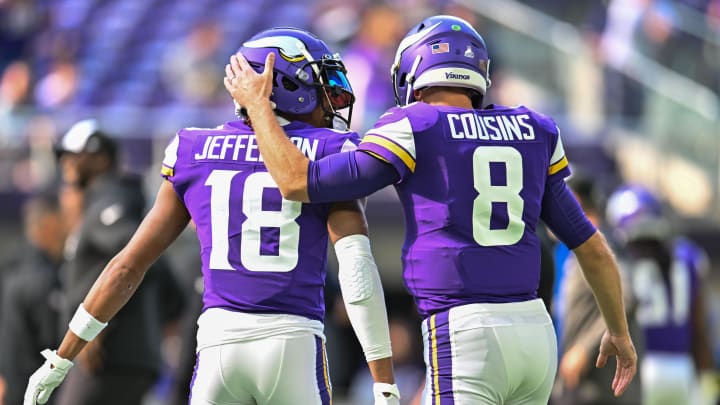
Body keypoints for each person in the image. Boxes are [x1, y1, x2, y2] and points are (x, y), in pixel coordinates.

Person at [224, 15, 638, 404]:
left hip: (465, 330)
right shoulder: (533, 128)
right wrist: (618, 331)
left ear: (414, 73)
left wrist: (259, 108)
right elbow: (593, 248)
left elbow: (298, 181)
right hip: (535, 335)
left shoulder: (414, 125)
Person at [24, 27, 399, 405]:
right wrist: (383, 381)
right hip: (293, 341)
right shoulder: (329, 150)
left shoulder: (193, 149)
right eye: (321, 86)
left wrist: (61, 357)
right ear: (285, 86)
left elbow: (126, 267)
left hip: (218, 348)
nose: (332, 99)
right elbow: (356, 270)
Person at [33, 119, 185, 405]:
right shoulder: (104, 200)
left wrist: (96, 328)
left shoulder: (110, 196)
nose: (65, 163)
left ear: (100, 158)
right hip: (123, 355)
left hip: (111, 356)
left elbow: (135, 260)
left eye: (73, 155)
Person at [606, 185, 717, 405]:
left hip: (640, 364)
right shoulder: (689, 255)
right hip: (682, 366)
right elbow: (700, 325)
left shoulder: (619, 259)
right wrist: (706, 375)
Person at [552, 177, 642, 405]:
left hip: (600, 383)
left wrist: (583, 349)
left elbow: (627, 297)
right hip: (575, 383)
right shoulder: (565, 247)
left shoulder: (602, 244)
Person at [0, 193, 66, 405]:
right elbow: (54, 344)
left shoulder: (9, 267)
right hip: (36, 392)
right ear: (50, 224)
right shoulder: (44, 279)